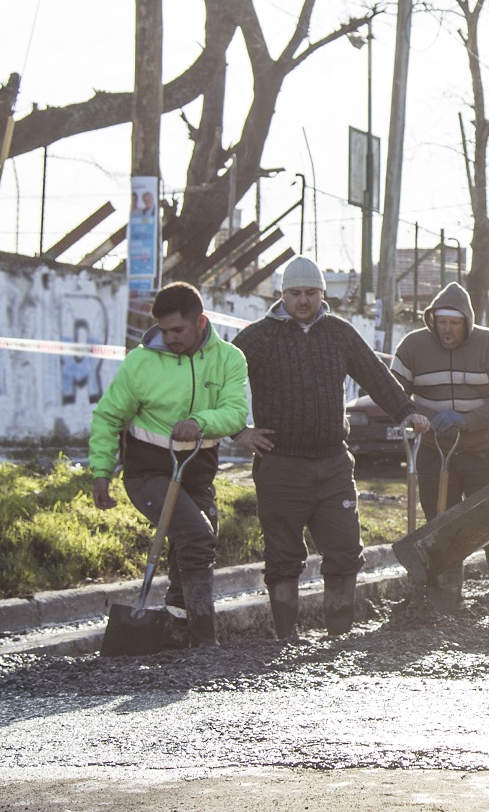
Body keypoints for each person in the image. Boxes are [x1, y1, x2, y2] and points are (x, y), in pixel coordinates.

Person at [232, 256, 415, 640]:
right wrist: (237, 431)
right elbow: (220, 381)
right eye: (295, 294)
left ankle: (338, 639)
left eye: (311, 293)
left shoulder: (339, 333)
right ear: (281, 295)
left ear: (322, 294)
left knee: (345, 552)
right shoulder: (258, 337)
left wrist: (407, 413)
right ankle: (287, 639)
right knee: (282, 558)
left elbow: (376, 376)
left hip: (332, 464)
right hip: (280, 465)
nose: (303, 301)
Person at [88, 282, 250, 648]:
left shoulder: (229, 359)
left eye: (178, 329)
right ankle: (205, 638)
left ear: (201, 322)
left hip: (196, 475)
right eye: (163, 330)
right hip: (148, 475)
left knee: (193, 544)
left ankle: (177, 625)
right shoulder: (141, 362)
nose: (170, 338)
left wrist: (199, 423)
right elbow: (108, 417)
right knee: (196, 536)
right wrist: (101, 471)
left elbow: (235, 412)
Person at [392, 281, 489, 593]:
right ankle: (446, 598)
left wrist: (466, 421)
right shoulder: (413, 346)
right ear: (432, 319)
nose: (447, 330)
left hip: (482, 451)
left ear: (467, 321)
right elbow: (392, 392)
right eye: (441, 322)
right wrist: (426, 415)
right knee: (440, 524)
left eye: (454, 323)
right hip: (432, 452)